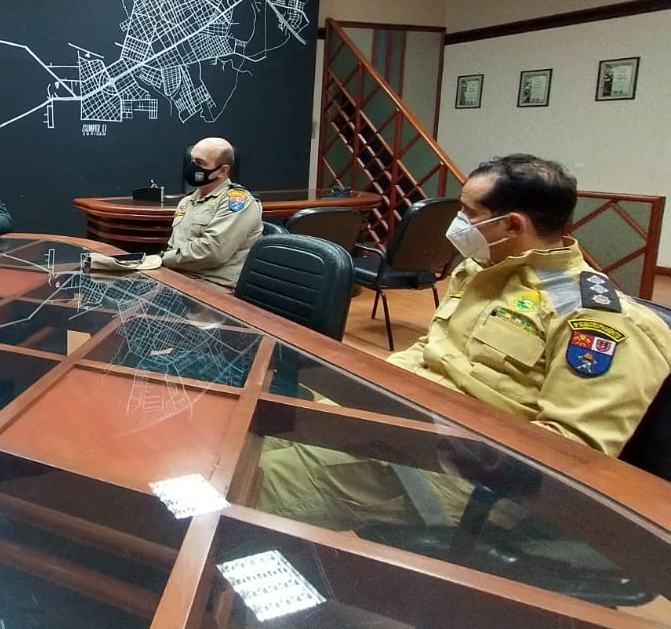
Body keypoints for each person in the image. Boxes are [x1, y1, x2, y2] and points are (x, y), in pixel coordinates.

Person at [256, 154, 671, 531]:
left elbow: (570, 455)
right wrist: (352, 400)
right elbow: (430, 352)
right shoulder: (480, 270)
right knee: (249, 436)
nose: (457, 222)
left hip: (457, 472)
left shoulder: (596, 320)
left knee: (256, 479)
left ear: (513, 225)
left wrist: (414, 432)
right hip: (397, 423)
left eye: (469, 213)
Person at [161, 137, 262, 290]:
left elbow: (212, 252)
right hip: (177, 278)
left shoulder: (237, 202)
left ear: (222, 171)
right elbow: (174, 245)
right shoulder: (187, 201)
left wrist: (162, 259)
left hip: (212, 287)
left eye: (200, 163)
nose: (192, 167)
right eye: (192, 161)